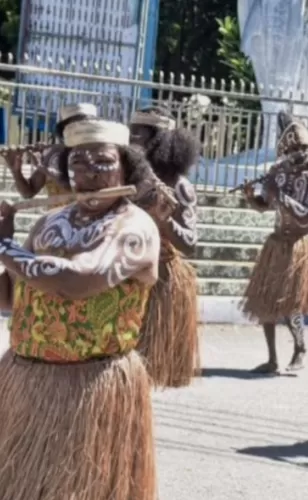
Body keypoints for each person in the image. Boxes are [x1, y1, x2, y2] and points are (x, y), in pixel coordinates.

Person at [0, 119, 173, 499]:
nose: (89, 172)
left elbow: (80, 279)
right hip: (27, 383)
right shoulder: (48, 222)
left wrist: (4, 247)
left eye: (103, 161)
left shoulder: (134, 226)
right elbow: (12, 296)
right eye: (77, 162)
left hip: (91, 387)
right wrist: (7, 245)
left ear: (126, 168)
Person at [240, 111, 308, 373]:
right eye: (293, 147)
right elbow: (264, 206)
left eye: (302, 147)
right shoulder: (276, 171)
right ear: (285, 149)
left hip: (302, 243)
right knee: (266, 301)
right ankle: (272, 358)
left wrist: (282, 196)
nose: (298, 152)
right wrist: (251, 197)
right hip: (277, 242)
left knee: (292, 302)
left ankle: (299, 347)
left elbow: (307, 214)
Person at [129, 106, 201, 388]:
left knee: (146, 370)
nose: (134, 141)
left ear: (160, 140)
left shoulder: (179, 186)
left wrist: (164, 219)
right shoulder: (124, 178)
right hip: (124, 274)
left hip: (160, 278)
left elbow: (190, 243)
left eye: (141, 135)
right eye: (131, 133)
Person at [4, 103, 98, 203]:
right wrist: (16, 171)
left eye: (83, 127)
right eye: (72, 127)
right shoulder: (53, 154)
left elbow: (80, 191)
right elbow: (28, 193)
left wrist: (44, 169)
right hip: (56, 217)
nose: (78, 131)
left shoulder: (99, 155)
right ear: (64, 129)